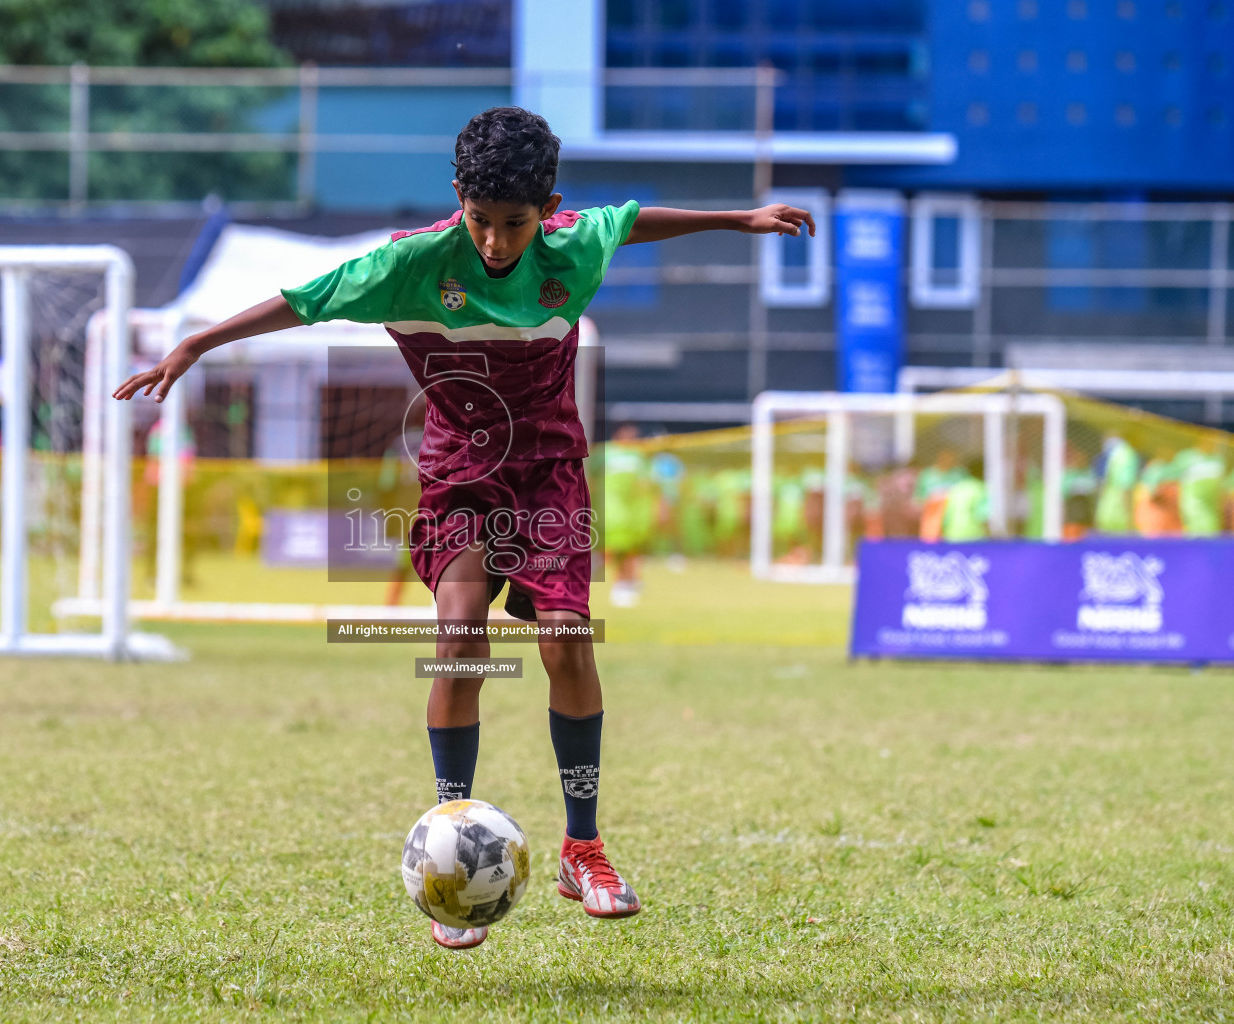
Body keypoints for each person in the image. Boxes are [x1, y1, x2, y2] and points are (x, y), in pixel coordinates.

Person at [113, 106, 815, 950]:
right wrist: (198, 342)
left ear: (548, 209)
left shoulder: (573, 246)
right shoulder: (412, 263)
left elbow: (631, 222)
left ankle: (582, 849)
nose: (493, 241)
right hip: (459, 479)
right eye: (480, 220)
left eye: (513, 224)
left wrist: (738, 218)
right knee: (460, 641)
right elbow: (303, 302)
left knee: (567, 639)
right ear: (458, 198)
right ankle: (453, 855)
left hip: (551, 474)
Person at [602, 423, 655, 608]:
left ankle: (628, 582)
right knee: (614, 548)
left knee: (632, 548)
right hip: (612, 510)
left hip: (635, 511)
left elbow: (647, 483)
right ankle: (621, 584)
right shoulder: (605, 453)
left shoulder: (639, 456)